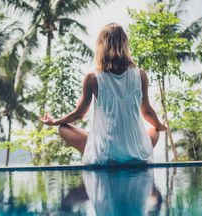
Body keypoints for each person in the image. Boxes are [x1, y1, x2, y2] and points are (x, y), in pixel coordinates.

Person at [40, 23, 167, 165]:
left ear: (101, 45)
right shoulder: (141, 75)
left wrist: (54, 122)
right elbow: (147, 111)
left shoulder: (92, 78)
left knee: (63, 128)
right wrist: (160, 126)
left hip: (105, 156)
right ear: (125, 44)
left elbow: (78, 115)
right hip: (138, 155)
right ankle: (138, 146)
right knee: (154, 130)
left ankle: (98, 150)